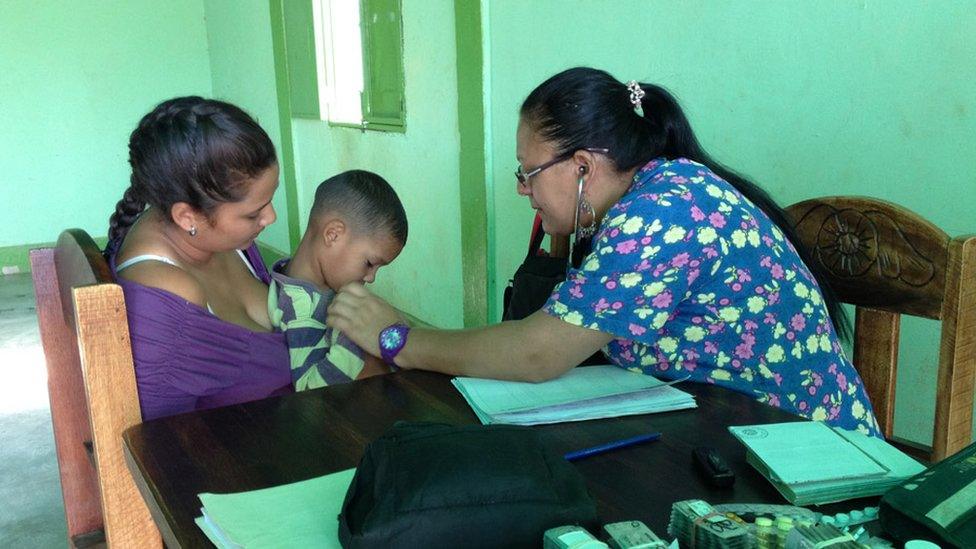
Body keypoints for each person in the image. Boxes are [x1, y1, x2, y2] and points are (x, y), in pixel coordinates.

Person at [326, 67, 881, 436]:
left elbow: (540, 353)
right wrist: (567, 221)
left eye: (529, 172)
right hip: (733, 431)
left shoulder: (661, 215)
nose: (523, 189)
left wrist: (398, 338)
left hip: (813, 458)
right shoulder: (658, 189)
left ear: (584, 165)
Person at [105, 96, 291, 421]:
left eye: (270, 199)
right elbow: (161, 440)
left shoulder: (216, 235)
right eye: (253, 213)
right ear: (187, 217)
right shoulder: (167, 297)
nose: (271, 217)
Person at [268, 170, 407, 390]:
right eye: (370, 263)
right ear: (333, 234)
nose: (371, 278)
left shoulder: (322, 287)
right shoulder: (299, 308)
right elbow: (308, 389)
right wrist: (355, 336)